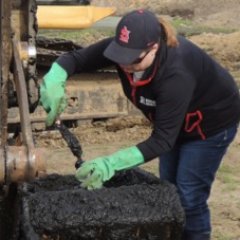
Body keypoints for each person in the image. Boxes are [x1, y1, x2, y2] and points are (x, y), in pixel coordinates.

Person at [40, 9, 240, 240]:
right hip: (172, 121)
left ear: (154, 47)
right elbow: (75, 59)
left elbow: (163, 140)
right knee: (168, 189)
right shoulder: (126, 50)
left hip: (210, 124)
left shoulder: (176, 73)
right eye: (119, 56)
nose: (124, 64)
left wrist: (112, 163)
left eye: (133, 59)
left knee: (188, 195)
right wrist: (55, 77)